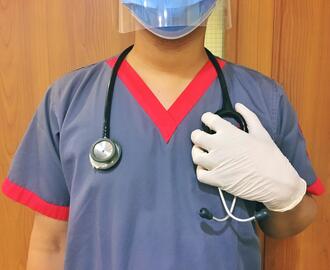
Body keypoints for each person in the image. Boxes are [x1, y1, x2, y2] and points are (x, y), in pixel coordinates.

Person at [1, 0, 325, 269]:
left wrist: (286, 195)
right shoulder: (68, 100)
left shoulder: (263, 100)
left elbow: (288, 224)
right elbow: (51, 244)